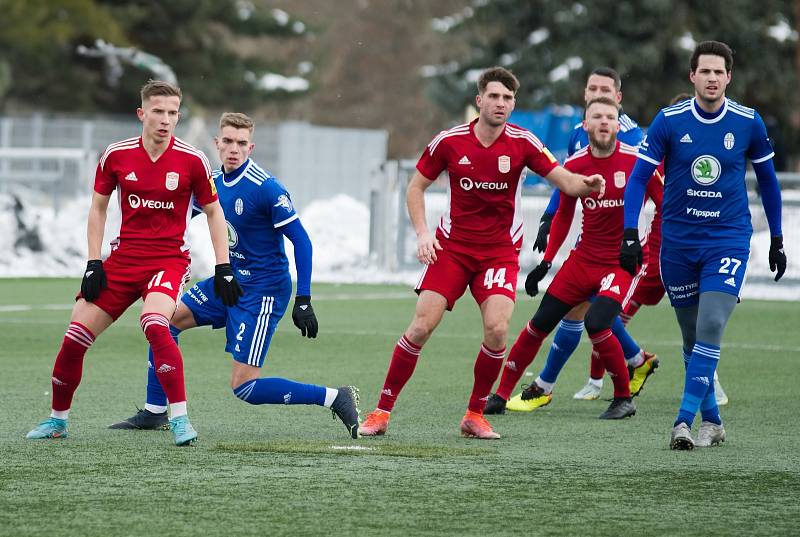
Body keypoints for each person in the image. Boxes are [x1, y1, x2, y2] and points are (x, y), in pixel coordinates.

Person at [358, 66, 605, 439]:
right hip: (453, 249)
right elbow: (415, 188)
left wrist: (585, 184)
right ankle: (381, 411)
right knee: (422, 325)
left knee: (497, 329)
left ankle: (475, 413)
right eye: (494, 96)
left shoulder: (523, 142)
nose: (501, 103)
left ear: (513, 104)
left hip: (499, 253)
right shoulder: (450, 141)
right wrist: (423, 233)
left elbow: (563, 179)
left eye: (507, 98)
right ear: (479, 101)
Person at [108, 112, 361, 439]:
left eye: (241, 143)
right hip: (228, 281)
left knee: (244, 387)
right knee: (163, 322)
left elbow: (302, 241)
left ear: (250, 146)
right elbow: (174, 216)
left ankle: (334, 397)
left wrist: (304, 299)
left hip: (263, 291)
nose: (234, 149)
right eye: (227, 141)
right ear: (217, 143)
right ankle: (155, 411)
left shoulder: (266, 188)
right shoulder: (211, 182)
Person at [26, 80, 242, 446]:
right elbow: (97, 208)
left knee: (156, 324)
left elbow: (213, 211)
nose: (166, 120)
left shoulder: (192, 158)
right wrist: (93, 262)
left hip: (167, 261)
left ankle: (179, 419)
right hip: (124, 260)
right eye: (158, 111)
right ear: (142, 113)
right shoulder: (116, 155)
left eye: (173, 113)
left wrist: (223, 266)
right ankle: (57, 420)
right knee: (74, 337)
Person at [619, 41, 786, 449]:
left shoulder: (748, 122)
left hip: (727, 239)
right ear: (692, 76)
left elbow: (768, 182)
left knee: (711, 324)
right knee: (692, 337)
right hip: (677, 243)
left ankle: (683, 422)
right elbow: (639, 177)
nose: (712, 78)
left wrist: (777, 237)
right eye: (704, 71)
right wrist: (629, 231)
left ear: (729, 77)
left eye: (719, 72)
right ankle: (712, 420)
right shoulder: (668, 121)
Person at [485, 96, 664, 420]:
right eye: (597, 116)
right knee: (539, 323)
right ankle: (499, 394)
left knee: (598, 322)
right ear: (586, 124)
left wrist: (644, 242)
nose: (604, 122)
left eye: (610, 116)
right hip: (583, 260)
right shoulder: (577, 164)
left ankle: (623, 398)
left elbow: (665, 204)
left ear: (617, 122)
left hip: (621, 263)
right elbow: (565, 215)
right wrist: (546, 262)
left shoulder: (637, 160)